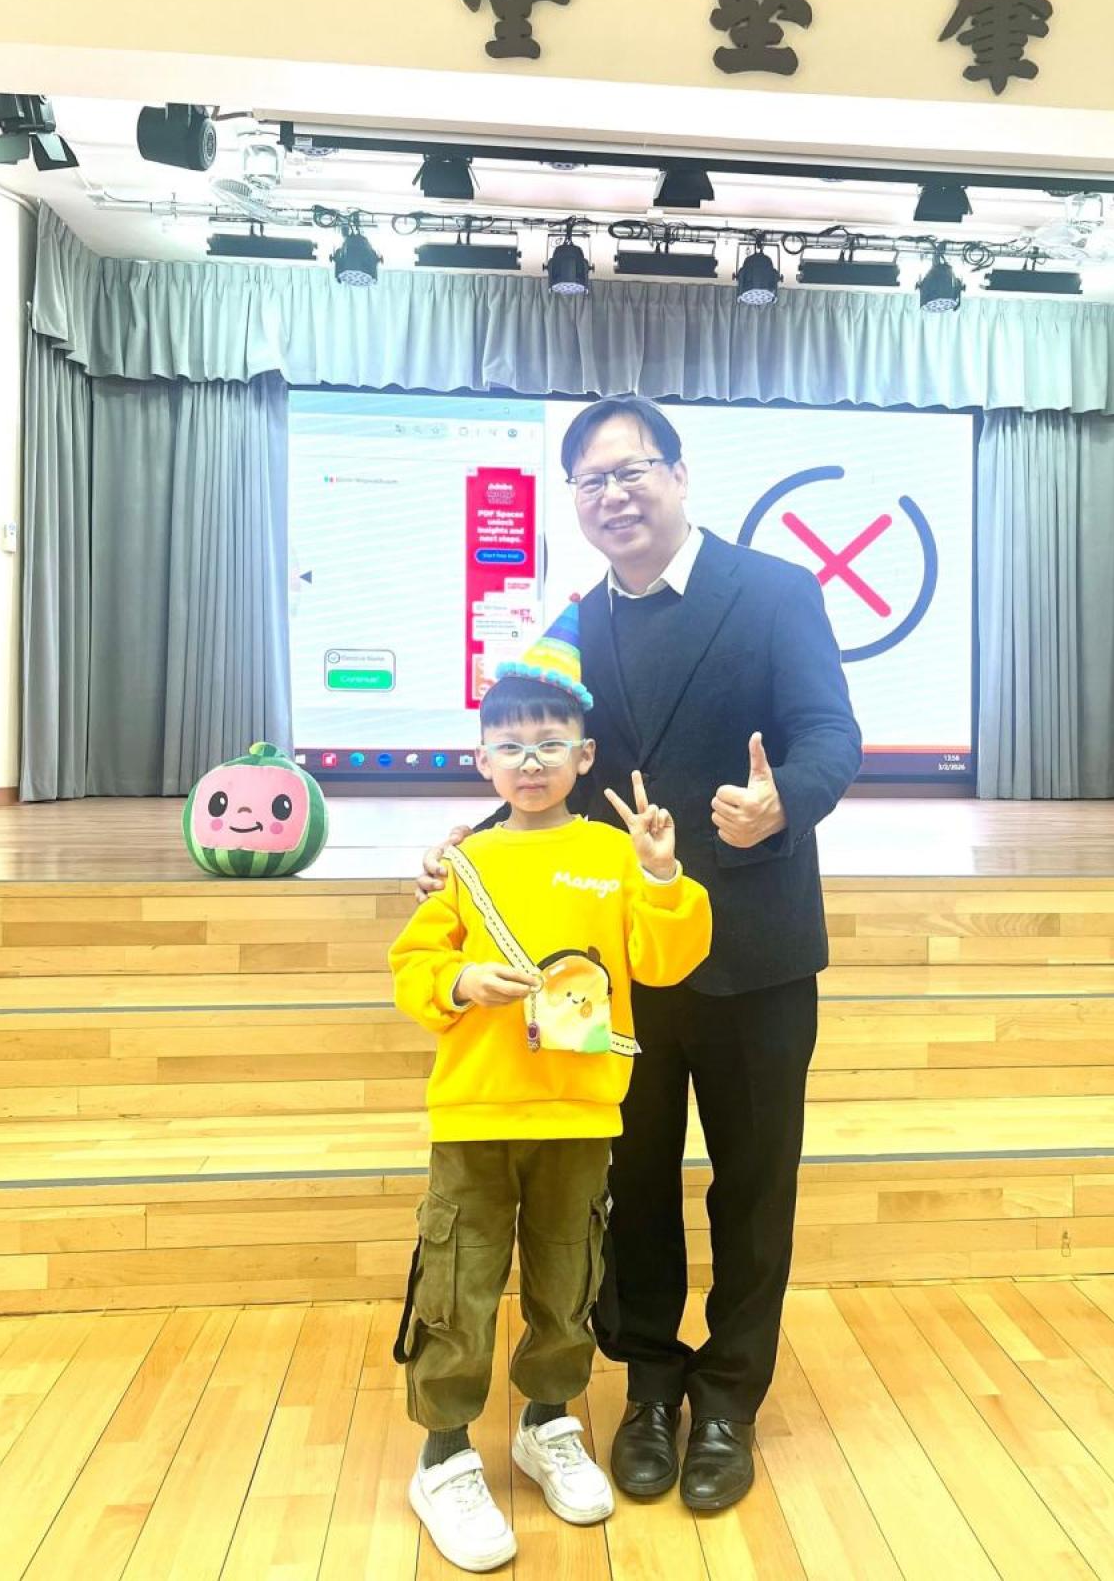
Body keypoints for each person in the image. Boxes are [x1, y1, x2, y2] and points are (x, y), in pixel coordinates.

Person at [419, 395, 862, 1512]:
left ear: (677, 475)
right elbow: (545, 760)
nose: (613, 494)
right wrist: (467, 852)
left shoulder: (775, 591)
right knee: (636, 1184)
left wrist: (783, 800)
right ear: (574, 500)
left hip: (758, 948)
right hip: (619, 970)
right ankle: (651, 1388)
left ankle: (730, 1399)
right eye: (591, 481)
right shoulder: (576, 623)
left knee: (754, 1188)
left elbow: (830, 734)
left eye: (633, 470)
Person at [391, 601, 711, 1572]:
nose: (529, 761)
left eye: (549, 743)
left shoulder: (613, 855)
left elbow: (663, 962)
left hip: (579, 1112)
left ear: (584, 755)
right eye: (510, 746)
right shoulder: (464, 860)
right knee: (458, 1281)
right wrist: (458, 981)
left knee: (567, 1279)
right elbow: (413, 967)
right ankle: (444, 1452)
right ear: (481, 759)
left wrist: (663, 876)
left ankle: (546, 1421)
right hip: (477, 1109)